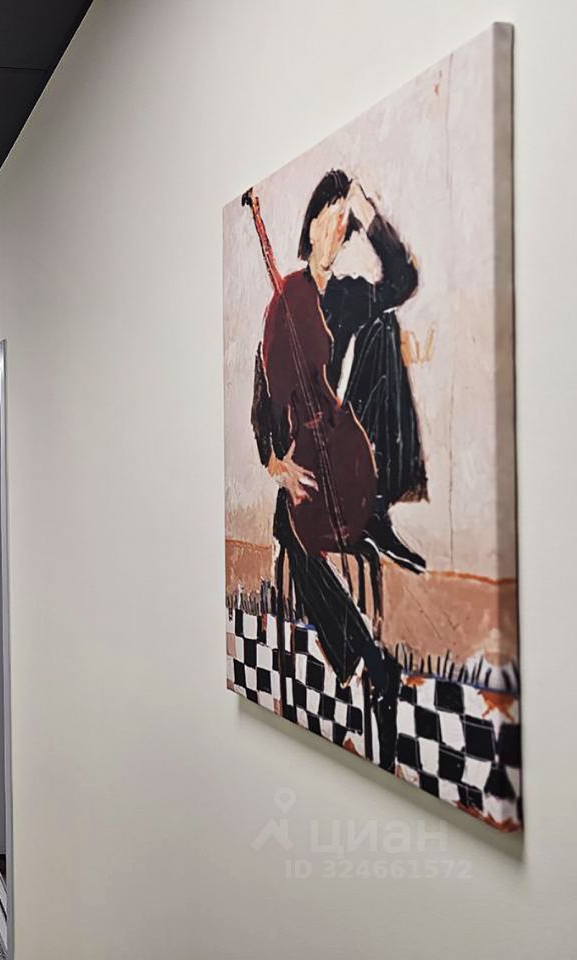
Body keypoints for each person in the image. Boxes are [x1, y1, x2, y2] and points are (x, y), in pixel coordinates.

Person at [250, 170, 427, 770]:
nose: (334, 231)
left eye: (342, 222)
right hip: (302, 457)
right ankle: (373, 667)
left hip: (347, 443)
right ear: (308, 230)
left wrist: (370, 211)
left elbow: (402, 282)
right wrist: (274, 462)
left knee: (386, 324)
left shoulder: (347, 295)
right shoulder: (286, 300)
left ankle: (377, 505)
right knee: (294, 531)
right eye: (327, 220)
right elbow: (262, 398)